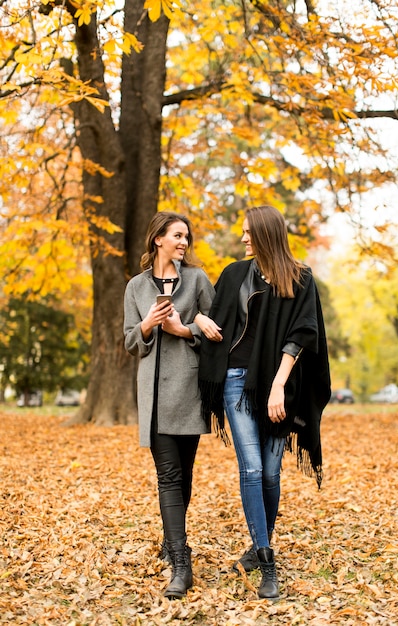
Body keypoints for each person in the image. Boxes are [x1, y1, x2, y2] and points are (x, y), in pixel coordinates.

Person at [197, 205, 331, 600]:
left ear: (266, 234)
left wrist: (277, 386)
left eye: (248, 233)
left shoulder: (301, 277)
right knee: (253, 469)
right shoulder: (235, 274)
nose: (242, 239)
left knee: (272, 474)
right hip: (236, 382)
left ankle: (257, 548)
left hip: (279, 388)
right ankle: (266, 558)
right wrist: (199, 321)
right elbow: (210, 317)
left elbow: (303, 334)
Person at [123, 211, 219, 600]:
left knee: (184, 475)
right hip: (154, 396)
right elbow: (130, 341)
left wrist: (185, 329)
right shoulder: (135, 286)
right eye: (177, 235)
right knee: (168, 477)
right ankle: (182, 562)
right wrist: (147, 324)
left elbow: (217, 328)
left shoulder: (196, 280)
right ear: (158, 238)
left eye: (187, 237)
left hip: (189, 392)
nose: (184, 242)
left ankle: (170, 538)